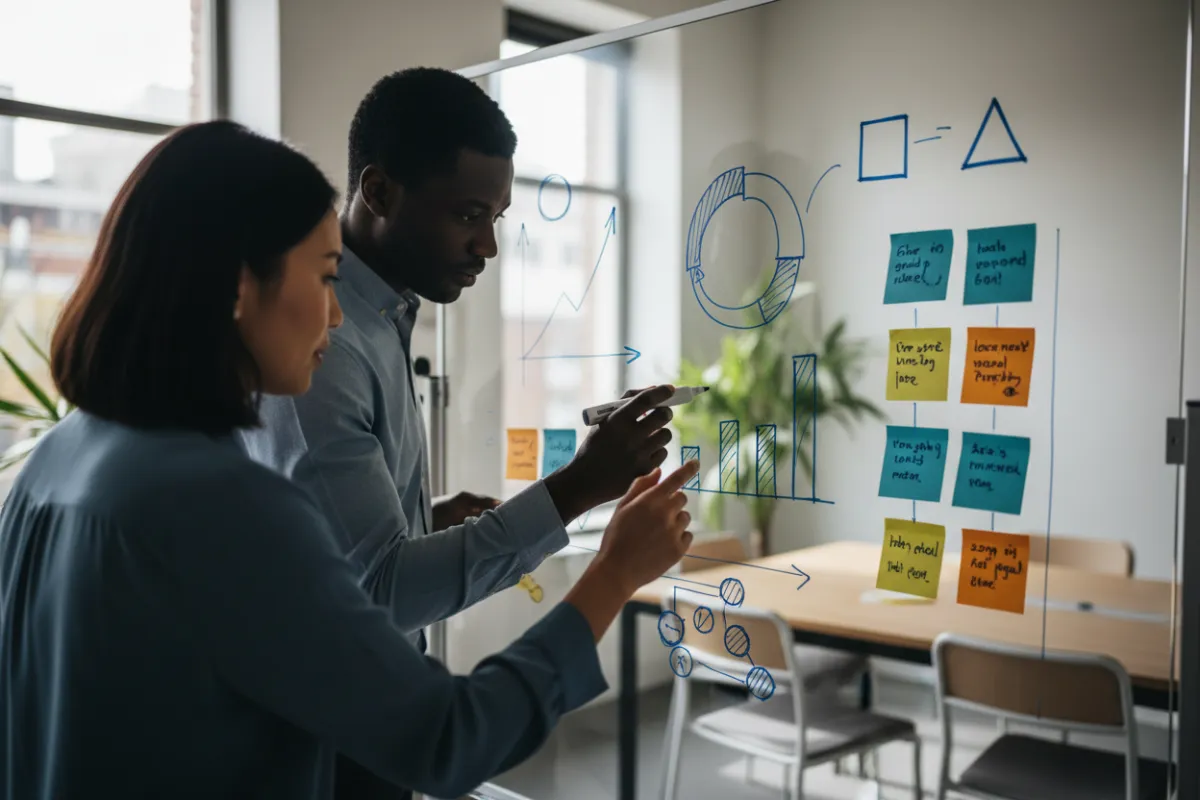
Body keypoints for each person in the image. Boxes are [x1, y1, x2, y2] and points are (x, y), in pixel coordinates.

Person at [0, 120, 699, 799]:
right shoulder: (219, 502)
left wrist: (416, 523)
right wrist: (613, 572)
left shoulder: (60, 459)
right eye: (327, 277)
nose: (336, 317)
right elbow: (446, 739)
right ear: (242, 287)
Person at [237, 67, 678, 794]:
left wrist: (416, 522)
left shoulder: (380, 322)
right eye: (469, 214)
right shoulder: (327, 348)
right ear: (377, 193)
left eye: (495, 220)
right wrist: (581, 490)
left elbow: (336, 553)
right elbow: (379, 599)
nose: (488, 247)